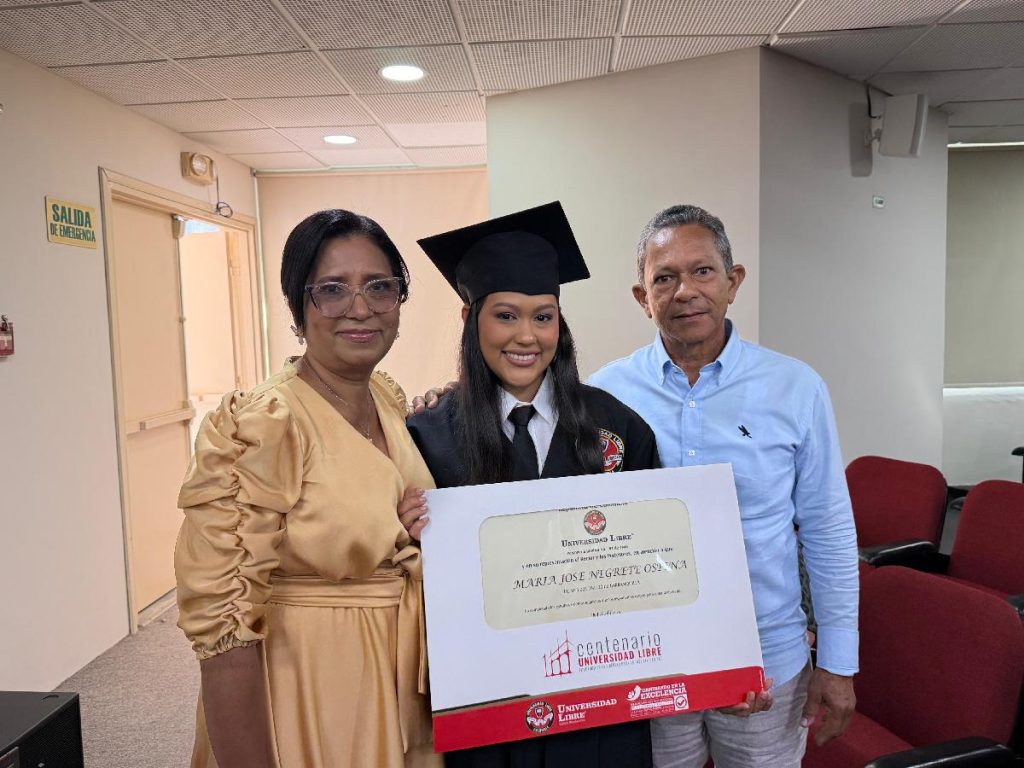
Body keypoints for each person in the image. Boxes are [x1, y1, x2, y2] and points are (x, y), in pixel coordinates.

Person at [588, 204, 858, 768]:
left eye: (703, 271)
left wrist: (838, 663)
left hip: (768, 657)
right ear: (643, 297)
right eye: (665, 278)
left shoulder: (795, 387)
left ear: (733, 282)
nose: (685, 291)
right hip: (649, 660)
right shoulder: (604, 395)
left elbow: (828, 530)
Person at [174, 209, 442, 768]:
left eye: (379, 286)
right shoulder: (261, 424)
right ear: (298, 309)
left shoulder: (388, 399)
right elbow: (225, 632)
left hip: (396, 678)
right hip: (310, 689)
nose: (360, 308)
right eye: (332, 289)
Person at [405, 202, 659, 768]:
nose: (527, 335)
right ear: (470, 319)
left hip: (598, 704)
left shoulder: (616, 427)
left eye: (543, 317)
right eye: (506, 315)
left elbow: (656, 566)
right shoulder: (426, 437)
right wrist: (406, 535)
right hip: (487, 703)